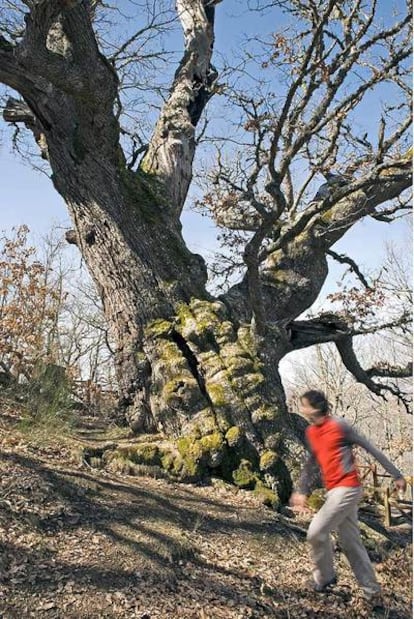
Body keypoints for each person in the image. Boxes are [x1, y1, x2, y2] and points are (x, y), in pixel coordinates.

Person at [290, 389, 407, 608]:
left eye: (303, 405)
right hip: (333, 490)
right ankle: (373, 594)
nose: (301, 408)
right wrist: (302, 489)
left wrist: (397, 474)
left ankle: (325, 578)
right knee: (351, 543)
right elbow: (312, 463)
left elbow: (370, 447)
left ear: (314, 408)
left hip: (348, 488)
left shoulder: (339, 426)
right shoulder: (311, 432)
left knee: (316, 531)